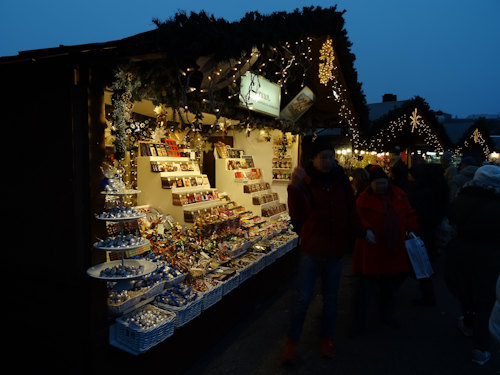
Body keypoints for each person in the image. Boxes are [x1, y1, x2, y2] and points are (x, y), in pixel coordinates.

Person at [282, 137, 365, 363]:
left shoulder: (341, 181)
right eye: (323, 157)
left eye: (330, 156)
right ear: (314, 159)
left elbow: (351, 210)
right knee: (303, 299)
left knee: (331, 299)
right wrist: (294, 188)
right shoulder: (306, 182)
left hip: (336, 249)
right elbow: (298, 214)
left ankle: (326, 339)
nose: (328, 161)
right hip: (312, 249)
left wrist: (362, 232)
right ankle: (292, 343)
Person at [351, 165, 419, 332]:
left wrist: (411, 229)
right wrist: (366, 229)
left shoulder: (399, 195)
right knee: (365, 288)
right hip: (372, 248)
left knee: (388, 286)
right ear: (371, 184)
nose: (380, 187)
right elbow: (358, 217)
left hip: (392, 247)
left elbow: (409, 213)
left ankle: (386, 314)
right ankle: (358, 322)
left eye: (383, 183)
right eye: (377, 184)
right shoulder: (363, 199)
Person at [444, 164, 500, 365]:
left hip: (462, 251)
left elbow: (452, 219)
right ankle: (481, 347)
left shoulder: (462, 197)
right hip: (491, 256)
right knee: (485, 299)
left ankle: (467, 321)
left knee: (465, 289)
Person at [406, 163, 449, 306]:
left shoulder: (421, 192)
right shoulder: (439, 188)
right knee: (424, 261)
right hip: (430, 229)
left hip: (420, 231)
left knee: (419, 262)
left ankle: (427, 295)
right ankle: (427, 294)